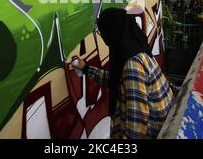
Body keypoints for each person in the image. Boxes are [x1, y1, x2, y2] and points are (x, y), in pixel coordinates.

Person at [71, 8, 174, 139]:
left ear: (112, 31)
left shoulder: (132, 64)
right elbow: (117, 81)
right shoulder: (135, 50)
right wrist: (86, 68)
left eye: (102, 31)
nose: (102, 36)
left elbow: (137, 123)